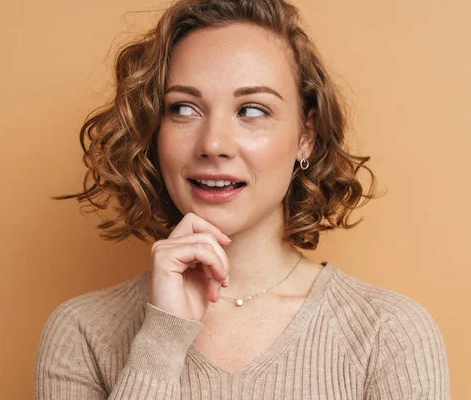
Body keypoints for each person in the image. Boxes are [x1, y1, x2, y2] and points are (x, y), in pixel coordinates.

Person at [35, 0, 450, 398]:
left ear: (306, 137)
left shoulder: (388, 333)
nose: (213, 143)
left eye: (252, 111)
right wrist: (161, 339)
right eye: (183, 108)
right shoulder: (83, 332)